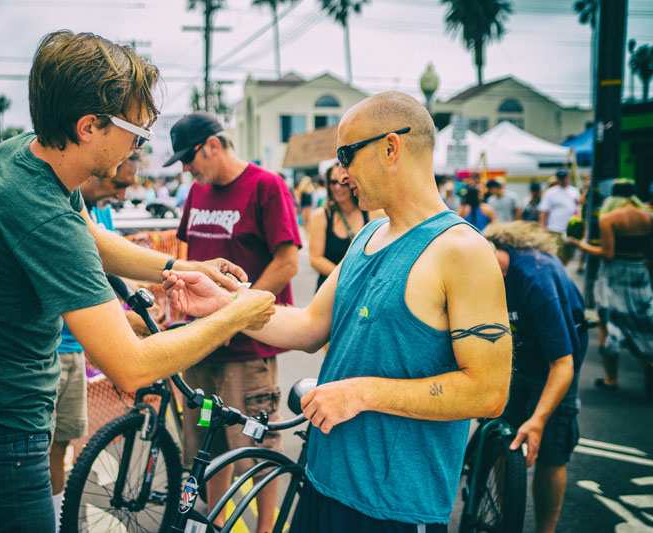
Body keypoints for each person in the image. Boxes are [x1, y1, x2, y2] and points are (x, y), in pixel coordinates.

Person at [0, 30, 276, 533]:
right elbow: (131, 367)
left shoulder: (21, 157)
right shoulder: (42, 215)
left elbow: (89, 234)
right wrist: (236, 315)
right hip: (1, 444)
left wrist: (180, 269)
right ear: (89, 126)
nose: (138, 147)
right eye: (135, 132)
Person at [164, 91, 512, 532]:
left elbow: (488, 391)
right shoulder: (369, 236)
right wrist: (226, 305)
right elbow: (310, 326)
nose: (341, 174)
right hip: (323, 482)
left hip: (393, 508)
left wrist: (360, 393)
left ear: (392, 147)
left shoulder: (461, 250)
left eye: (347, 154)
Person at [163, 111, 301, 533]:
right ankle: (215, 521)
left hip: (248, 354)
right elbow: (188, 254)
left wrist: (235, 313)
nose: (186, 168)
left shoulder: (265, 186)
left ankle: (264, 529)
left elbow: (288, 261)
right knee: (208, 437)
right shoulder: (197, 194)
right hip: (202, 348)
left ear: (213, 145)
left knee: (254, 442)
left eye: (190, 157)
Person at [48, 154, 143, 529]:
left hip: (72, 349)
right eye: (119, 184)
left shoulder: (99, 213)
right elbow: (81, 290)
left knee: (62, 444)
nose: (122, 194)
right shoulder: (65, 206)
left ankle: (54, 519)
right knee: (38, 448)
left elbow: (111, 271)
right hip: (53, 347)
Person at [484, 221, 587, 533]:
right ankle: (506, 516)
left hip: (556, 362)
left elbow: (562, 364)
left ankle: (546, 529)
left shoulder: (536, 279)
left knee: (551, 453)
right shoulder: (479, 270)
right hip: (517, 355)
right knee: (506, 437)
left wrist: (539, 419)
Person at [571, 179, 653, 397]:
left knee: (609, 321)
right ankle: (649, 372)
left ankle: (611, 378)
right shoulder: (648, 216)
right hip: (640, 272)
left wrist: (580, 245)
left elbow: (608, 253)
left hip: (614, 274)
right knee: (644, 323)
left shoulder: (609, 218)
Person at [309, 162, 370, 290]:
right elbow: (315, 259)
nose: (337, 187)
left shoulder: (371, 213)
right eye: (333, 182)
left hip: (363, 289)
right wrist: (348, 277)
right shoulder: (321, 215)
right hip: (330, 290)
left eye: (343, 183)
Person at [540, 168, 580, 234]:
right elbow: (544, 212)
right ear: (557, 178)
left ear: (568, 177)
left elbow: (577, 209)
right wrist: (543, 228)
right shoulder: (550, 192)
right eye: (560, 177)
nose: (563, 179)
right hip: (554, 229)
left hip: (571, 230)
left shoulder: (575, 191)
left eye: (564, 177)